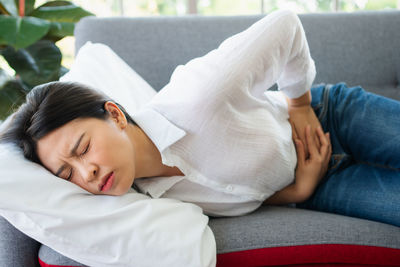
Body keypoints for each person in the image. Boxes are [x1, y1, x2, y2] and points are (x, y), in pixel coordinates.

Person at [0, 10, 399, 228]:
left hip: (332, 118)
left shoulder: (197, 96)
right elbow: (244, 189)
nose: (86, 174)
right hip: (320, 183)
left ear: (115, 114)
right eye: (67, 174)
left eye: (82, 149)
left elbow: (284, 25)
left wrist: (299, 105)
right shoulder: (151, 202)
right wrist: (297, 193)